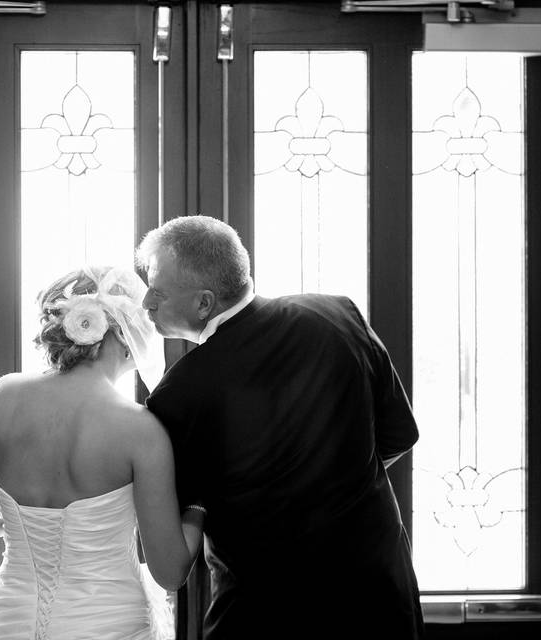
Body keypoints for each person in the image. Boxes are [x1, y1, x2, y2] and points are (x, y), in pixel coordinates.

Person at [137, 215, 426, 639]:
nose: (145, 303)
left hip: (261, 615)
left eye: (157, 291)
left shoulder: (178, 395)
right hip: (377, 599)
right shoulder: (338, 316)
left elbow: (179, 516)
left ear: (204, 303)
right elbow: (400, 436)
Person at [0, 265, 205, 640]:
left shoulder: (2, 396)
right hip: (109, 628)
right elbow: (169, 572)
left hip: (10, 625)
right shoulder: (140, 429)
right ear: (123, 335)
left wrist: (28, 522)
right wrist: (199, 505)